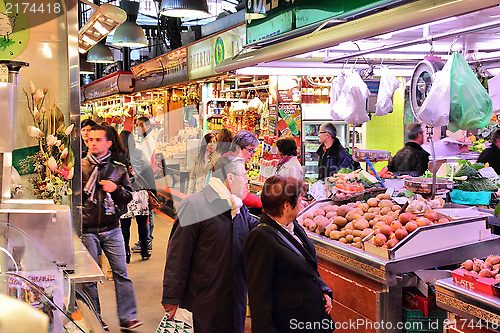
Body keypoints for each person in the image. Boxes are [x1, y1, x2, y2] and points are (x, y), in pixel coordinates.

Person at [161, 156, 257, 333]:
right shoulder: (195, 205)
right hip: (205, 301)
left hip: (235, 298)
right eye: (244, 176)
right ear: (230, 177)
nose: (246, 181)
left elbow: (253, 229)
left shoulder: (237, 206)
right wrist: (172, 295)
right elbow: (178, 253)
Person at [243, 176, 333, 333]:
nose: (302, 203)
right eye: (299, 200)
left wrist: (323, 289)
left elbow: (307, 264)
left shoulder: (293, 225)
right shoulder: (261, 238)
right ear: (286, 205)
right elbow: (260, 300)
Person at [81, 124, 142, 330]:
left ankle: (128, 317)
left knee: (121, 273)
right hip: (87, 229)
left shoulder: (118, 168)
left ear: (108, 143)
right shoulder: (79, 168)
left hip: (112, 228)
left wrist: (115, 189)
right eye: (90, 140)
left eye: (98, 140)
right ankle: (94, 318)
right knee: (89, 280)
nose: (93, 144)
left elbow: (128, 197)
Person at [119, 130, 156, 262]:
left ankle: (126, 253)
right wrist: (153, 191)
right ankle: (145, 250)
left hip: (125, 193)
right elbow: (148, 173)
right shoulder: (139, 154)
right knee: (142, 223)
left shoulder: (118, 155)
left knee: (125, 225)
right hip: (140, 192)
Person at [222, 130, 262, 208]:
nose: (253, 155)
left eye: (254, 151)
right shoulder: (233, 164)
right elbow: (242, 196)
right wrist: (265, 204)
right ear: (238, 148)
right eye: (250, 150)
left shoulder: (227, 158)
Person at [133, 116, 155, 253]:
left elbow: (145, 162)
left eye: (140, 125)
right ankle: (145, 240)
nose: (137, 128)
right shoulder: (144, 140)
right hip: (144, 179)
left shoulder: (148, 142)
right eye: (136, 125)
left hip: (146, 179)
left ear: (147, 126)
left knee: (148, 210)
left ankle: (147, 240)